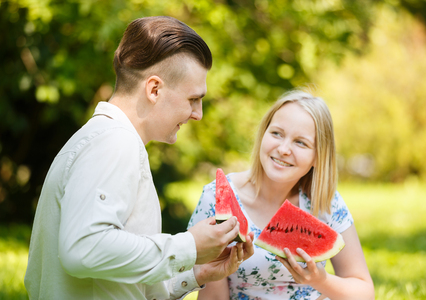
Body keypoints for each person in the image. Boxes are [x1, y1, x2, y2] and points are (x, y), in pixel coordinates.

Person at [24, 16, 254, 300]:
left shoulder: (103, 138)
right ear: (154, 89)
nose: (198, 113)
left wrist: (197, 273)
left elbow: (117, 282)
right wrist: (189, 246)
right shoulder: (114, 143)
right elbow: (84, 249)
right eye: (193, 99)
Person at [188, 89, 375, 300]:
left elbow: (364, 291)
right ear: (263, 134)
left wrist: (320, 281)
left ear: (318, 156)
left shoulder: (325, 203)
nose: (284, 149)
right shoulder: (217, 197)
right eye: (276, 133)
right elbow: (212, 296)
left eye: (301, 142)